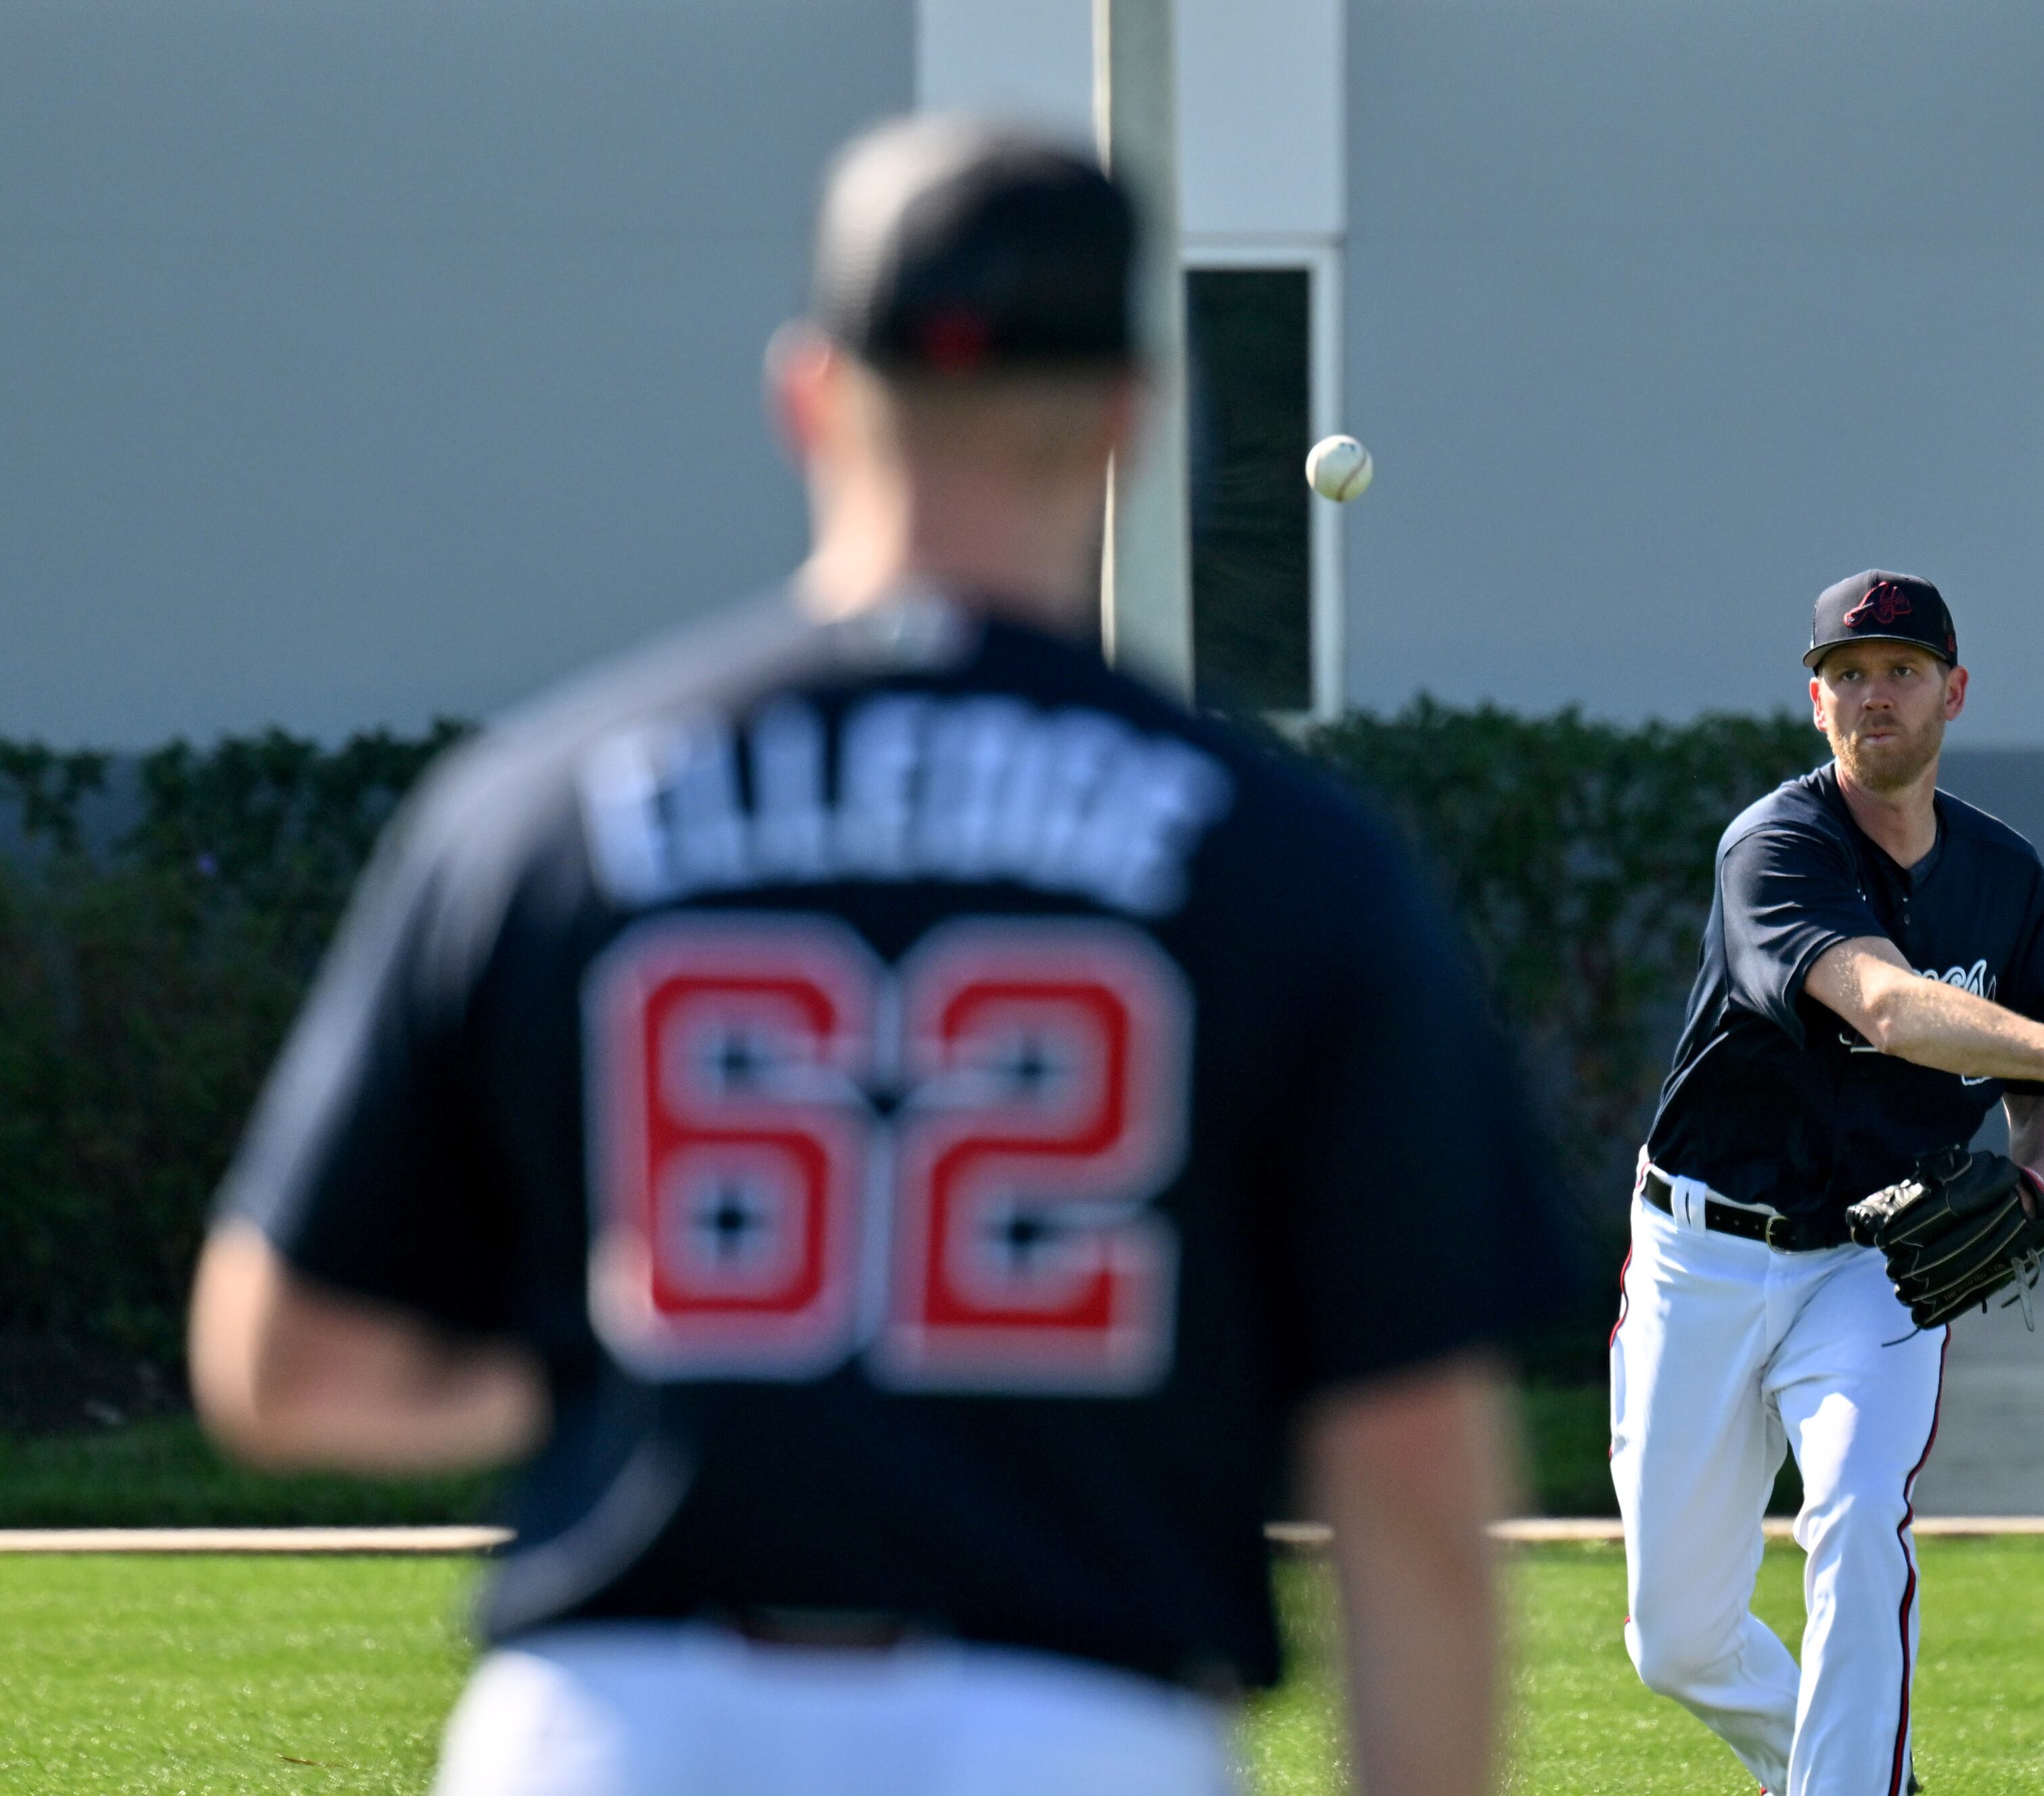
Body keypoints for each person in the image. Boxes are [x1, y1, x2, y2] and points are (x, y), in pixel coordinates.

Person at [189, 116, 1578, 1796]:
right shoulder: (1287, 855)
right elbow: (1415, 1472)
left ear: (807, 392)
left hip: (621, 1730)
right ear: (1132, 416)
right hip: (1068, 1728)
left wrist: (621, 1363)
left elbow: (279, 1362)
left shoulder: (541, 807)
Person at [1608, 570, 2044, 1795]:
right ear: (1816, 701)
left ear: (1954, 691)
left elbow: (2040, 1113)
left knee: (1857, 1520)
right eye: (1847, 674)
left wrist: (2040, 1185)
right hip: (1703, 1255)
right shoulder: (1774, 846)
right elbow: (1888, 1006)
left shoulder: (2007, 875)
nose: (1872, 694)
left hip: (1873, 1266)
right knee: (1675, 1640)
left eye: (1900, 670)